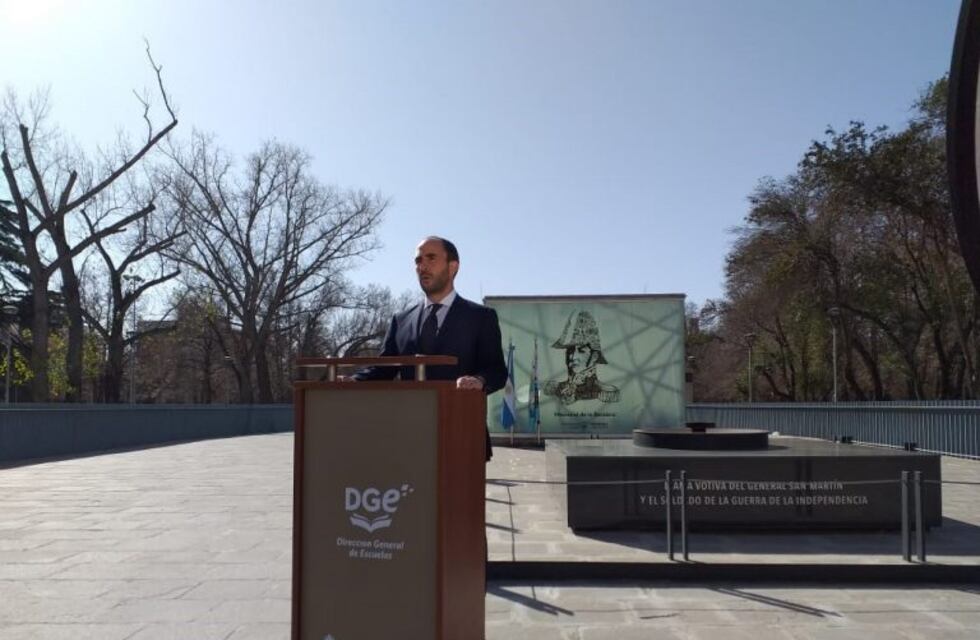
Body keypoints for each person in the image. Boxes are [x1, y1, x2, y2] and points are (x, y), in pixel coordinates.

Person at [351, 236, 508, 459]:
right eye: (418, 260)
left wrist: (479, 381)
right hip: (406, 438)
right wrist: (352, 382)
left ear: (453, 267)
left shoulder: (480, 317)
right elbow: (383, 368)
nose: (421, 266)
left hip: (462, 436)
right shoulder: (401, 320)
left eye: (431, 258)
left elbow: (496, 371)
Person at [544, 310, 620, 405]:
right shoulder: (559, 387)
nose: (572, 357)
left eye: (581, 350)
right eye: (570, 350)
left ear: (594, 357)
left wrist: (576, 396)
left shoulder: (603, 392)